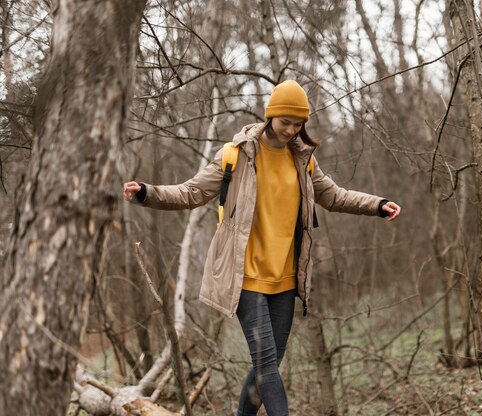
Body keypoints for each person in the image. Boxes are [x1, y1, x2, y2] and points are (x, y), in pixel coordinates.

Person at [123, 80, 401, 416]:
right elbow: (190, 193)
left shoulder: (303, 160)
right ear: (271, 116)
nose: (291, 130)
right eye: (286, 122)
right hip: (246, 279)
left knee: (264, 367)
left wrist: (377, 204)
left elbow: (334, 196)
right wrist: (146, 192)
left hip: (284, 280)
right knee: (267, 365)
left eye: (298, 124)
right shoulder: (237, 156)